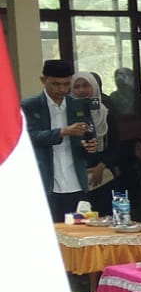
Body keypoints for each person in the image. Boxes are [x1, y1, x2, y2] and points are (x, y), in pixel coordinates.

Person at [23, 59, 93, 220]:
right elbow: (30, 138)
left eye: (66, 84)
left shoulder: (78, 105)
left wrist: (90, 146)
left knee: (78, 228)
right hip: (46, 183)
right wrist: (63, 132)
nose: (62, 89)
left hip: (76, 182)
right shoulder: (30, 106)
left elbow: (89, 134)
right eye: (56, 84)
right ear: (43, 80)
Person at [70, 71, 118, 214]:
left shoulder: (106, 114)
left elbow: (115, 145)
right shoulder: (67, 116)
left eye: (86, 85)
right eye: (77, 87)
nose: (82, 90)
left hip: (101, 177)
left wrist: (101, 166)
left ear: (95, 87)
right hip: (74, 178)